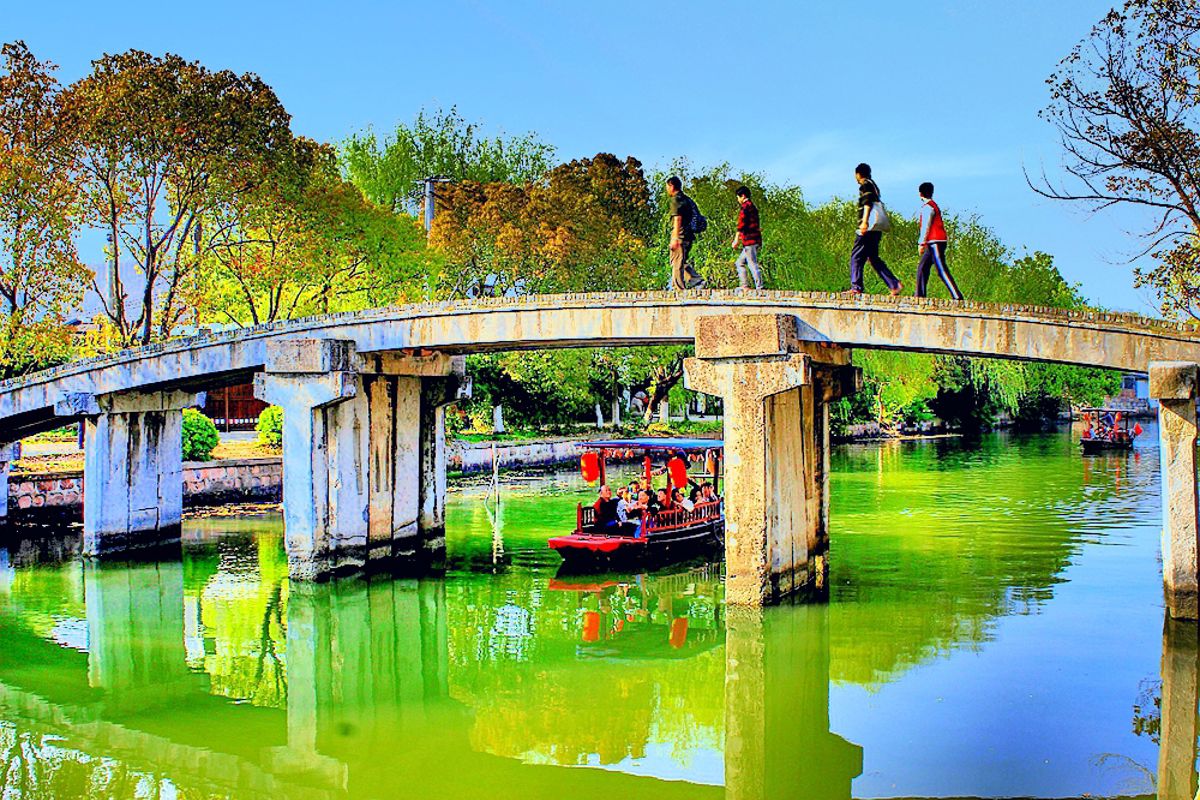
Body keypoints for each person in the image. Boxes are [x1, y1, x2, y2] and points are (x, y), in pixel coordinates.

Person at [849, 163, 902, 296]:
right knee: (873, 257)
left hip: (868, 228)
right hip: (876, 229)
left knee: (856, 256)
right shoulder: (874, 185)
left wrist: (864, 222)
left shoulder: (865, 185)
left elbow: (867, 203)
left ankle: (856, 287)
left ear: (858, 174)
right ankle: (894, 284)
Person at [915, 182, 964, 301]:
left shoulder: (928, 208)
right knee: (922, 268)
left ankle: (957, 296)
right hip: (937, 241)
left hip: (934, 242)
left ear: (920, 194)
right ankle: (919, 295)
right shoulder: (933, 206)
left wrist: (921, 243)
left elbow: (925, 227)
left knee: (941, 269)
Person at [666, 176, 705, 290]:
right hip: (688, 236)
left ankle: (678, 289)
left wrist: (675, 238)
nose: (667, 190)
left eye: (667, 187)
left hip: (680, 236)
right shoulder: (687, 199)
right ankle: (696, 280)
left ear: (671, 186)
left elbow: (677, 219)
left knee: (676, 263)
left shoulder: (676, 199)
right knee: (681, 262)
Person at [731, 186, 763, 290]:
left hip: (749, 241)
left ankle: (759, 287)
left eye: (738, 197)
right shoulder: (753, 207)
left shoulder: (745, 207)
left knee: (752, 263)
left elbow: (741, 225)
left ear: (743, 196)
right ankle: (744, 285)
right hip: (755, 239)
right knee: (739, 262)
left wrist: (736, 239)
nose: (738, 200)